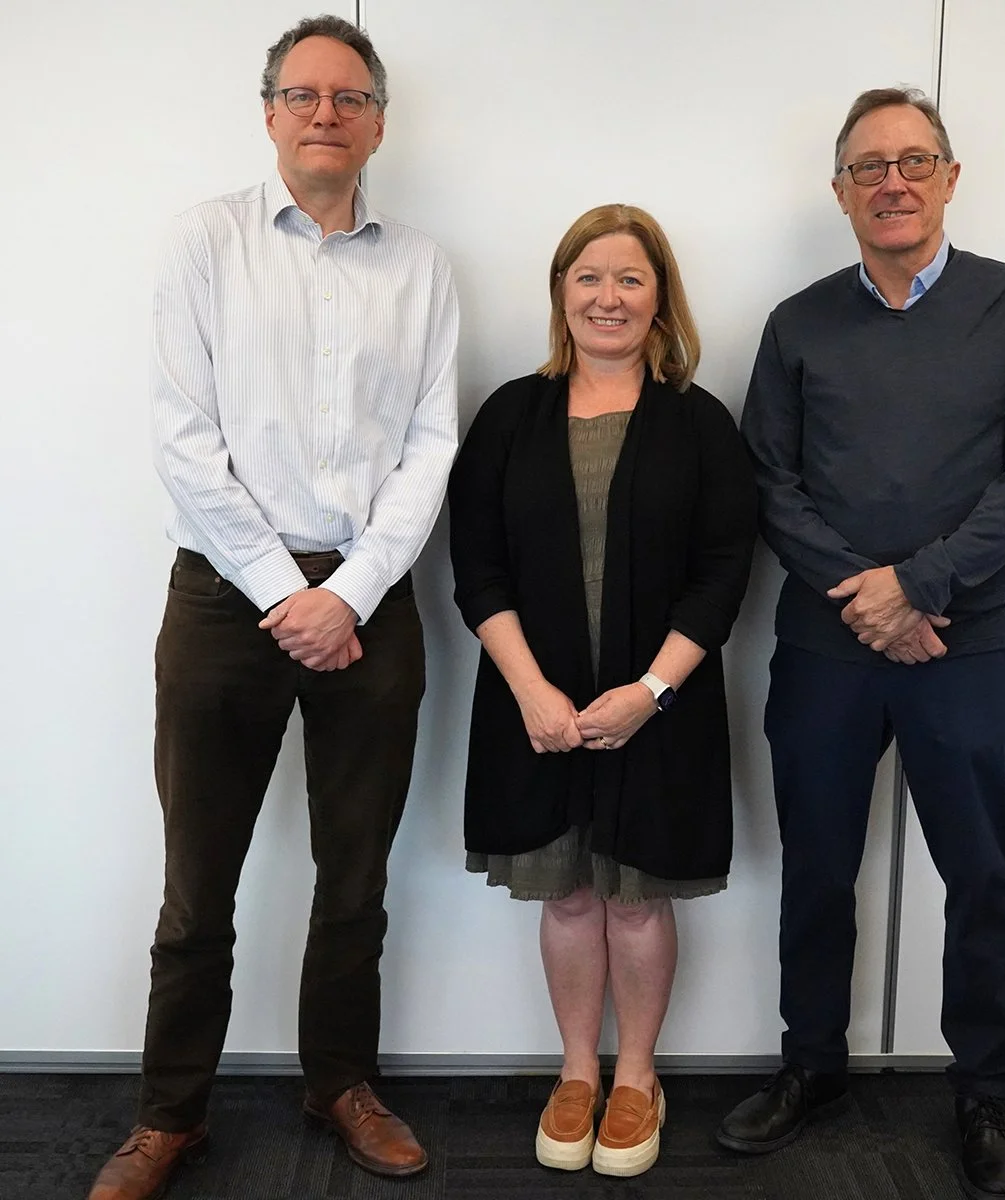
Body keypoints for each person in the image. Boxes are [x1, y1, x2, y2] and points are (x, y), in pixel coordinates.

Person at [87, 15, 458, 1200]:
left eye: (348, 97)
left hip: (371, 597)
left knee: (355, 879)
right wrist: (284, 593)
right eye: (301, 95)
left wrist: (344, 592)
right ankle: (168, 1117)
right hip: (222, 601)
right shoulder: (205, 241)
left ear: (379, 122)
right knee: (199, 881)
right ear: (267, 112)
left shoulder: (423, 266)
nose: (324, 114)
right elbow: (182, 441)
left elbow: (430, 445)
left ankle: (338, 1082)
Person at [716, 88, 1005, 1200]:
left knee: (980, 877)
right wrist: (862, 600)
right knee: (816, 871)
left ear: (950, 178)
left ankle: (982, 1094)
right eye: (866, 167)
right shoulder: (796, 322)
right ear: (839, 192)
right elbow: (767, 481)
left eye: (912, 161)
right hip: (825, 654)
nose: (891, 182)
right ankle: (808, 1064)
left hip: (966, 650)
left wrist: (915, 589)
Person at [449, 204, 757, 1178]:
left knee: (634, 901)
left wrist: (648, 693)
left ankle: (636, 1076)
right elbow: (476, 567)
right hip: (532, 711)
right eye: (588, 277)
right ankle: (575, 1070)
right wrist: (531, 691)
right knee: (571, 895)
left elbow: (722, 573)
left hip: (656, 712)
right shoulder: (508, 414)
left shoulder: (699, 423)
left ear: (659, 297)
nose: (607, 297)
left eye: (629, 278)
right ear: (559, 293)